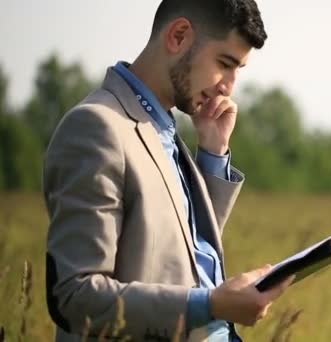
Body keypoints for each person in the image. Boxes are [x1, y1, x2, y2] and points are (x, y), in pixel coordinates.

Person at [43, 0, 294, 341]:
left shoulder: (162, 127)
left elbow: (177, 252)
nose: (229, 86)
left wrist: (212, 153)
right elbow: (74, 296)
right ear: (178, 36)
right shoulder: (96, 127)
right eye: (225, 63)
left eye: (239, 70)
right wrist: (212, 305)